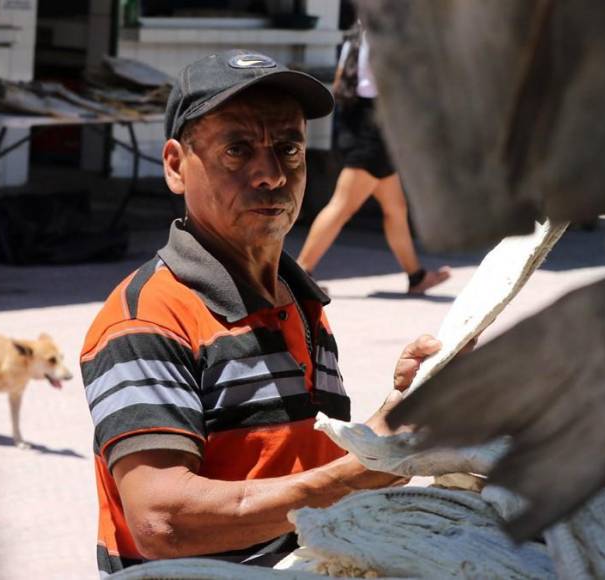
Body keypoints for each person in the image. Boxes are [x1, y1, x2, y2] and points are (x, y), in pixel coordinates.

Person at [80, 49, 444, 576]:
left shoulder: (298, 301)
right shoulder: (148, 319)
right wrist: (369, 466)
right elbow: (162, 520)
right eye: (237, 150)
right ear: (176, 166)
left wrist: (399, 415)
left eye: (289, 149)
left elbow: (302, 473)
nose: (272, 175)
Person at [296, 22, 451, 294]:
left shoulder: (359, 33)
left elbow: (341, 80)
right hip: (375, 127)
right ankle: (300, 276)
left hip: (360, 122)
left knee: (396, 209)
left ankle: (416, 277)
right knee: (342, 205)